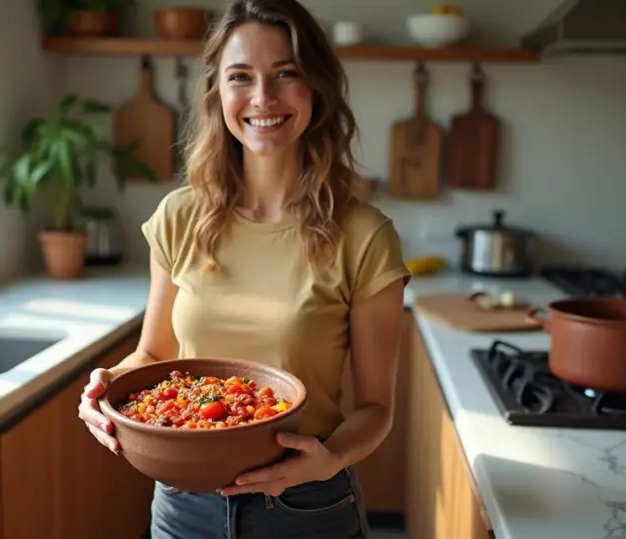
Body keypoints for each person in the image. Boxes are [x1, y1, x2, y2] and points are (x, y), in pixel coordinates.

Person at [77, 0, 409, 537]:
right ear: (218, 94)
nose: (262, 98)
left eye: (285, 74)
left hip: (306, 506)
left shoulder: (364, 234)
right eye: (241, 77)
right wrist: (107, 387)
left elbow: (375, 408)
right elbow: (156, 356)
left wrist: (327, 461)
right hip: (183, 503)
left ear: (316, 89)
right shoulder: (179, 215)